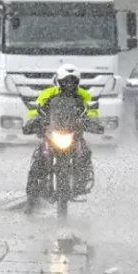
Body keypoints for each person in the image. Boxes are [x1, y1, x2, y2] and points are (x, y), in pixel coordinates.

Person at [24, 64, 99, 211]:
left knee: (84, 153)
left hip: (74, 135)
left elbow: (92, 111)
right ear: (59, 81)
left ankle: (81, 181)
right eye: (66, 81)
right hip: (52, 134)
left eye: (72, 81)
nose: (69, 84)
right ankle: (31, 199)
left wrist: (93, 122)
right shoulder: (48, 94)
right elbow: (36, 110)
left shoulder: (84, 96)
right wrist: (33, 122)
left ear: (77, 82)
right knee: (38, 160)